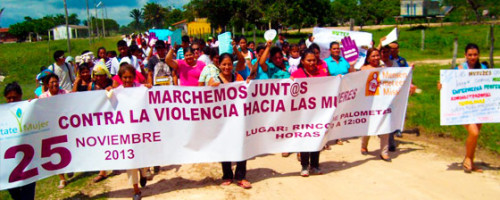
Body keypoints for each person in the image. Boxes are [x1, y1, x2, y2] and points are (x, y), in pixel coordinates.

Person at [438, 43, 487, 173]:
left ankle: (469, 159)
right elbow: (448, 84)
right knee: (474, 132)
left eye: (475, 54)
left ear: (478, 55)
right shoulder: (459, 70)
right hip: (463, 108)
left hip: (479, 107)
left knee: (475, 134)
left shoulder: (483, 68)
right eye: (470, 55)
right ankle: (468, 160)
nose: (472, 57)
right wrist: (441, 86)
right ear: (465, 55)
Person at [207, 53, 251, 189]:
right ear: (219, 65)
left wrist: (248, 85)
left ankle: (241, 176)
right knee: (224, 146)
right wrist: (212, 88)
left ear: (233, 65)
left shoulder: (237, 77)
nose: (227, 67)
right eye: (224, 64)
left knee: (241, 145)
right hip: (221, 121)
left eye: (229, 64)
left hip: (238, 119)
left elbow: (245, 93)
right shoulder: (213, 80)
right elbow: (207, 97)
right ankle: (227, 175)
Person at [117, 64, 152, 199]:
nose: (127, 80)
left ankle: (143, 173)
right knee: (130, 162)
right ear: (120, 78)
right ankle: (136, 190)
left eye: (130, 77)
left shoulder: (140, 89)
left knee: (142, 157)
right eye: (125, 77)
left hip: (141, 131)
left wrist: (149, 88)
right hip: (126, 133)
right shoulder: (117, 92)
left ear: (134, 77)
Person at [290, 49, 328, 176]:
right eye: (309, 60)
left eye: (314, 60)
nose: (312, 63)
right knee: (305, 138)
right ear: (302, 61)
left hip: (318, 112)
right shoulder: (296, 74)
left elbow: (330, 87)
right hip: (302, 113)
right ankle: (305, 165)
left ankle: (315, 165)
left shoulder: (322, 73)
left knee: (316, 137)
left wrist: (338, 80)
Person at [38, 74, 73, 187]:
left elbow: (75, 101)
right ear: (47, 85)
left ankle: (70, 167)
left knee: (69, 148)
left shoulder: (65, 94)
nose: (54, 84)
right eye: (52, 82)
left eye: (56, 81)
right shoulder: (43, 98)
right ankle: (62, 178)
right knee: (55, 153)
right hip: (51, 129)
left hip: (65, 127)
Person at [4, 82, 38, 200]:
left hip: (28, 163)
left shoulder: (28, 109)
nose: (12, 100)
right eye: (9, 98)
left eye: (15, 97)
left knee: (28, 196)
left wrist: (31, 106)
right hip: (9, 166)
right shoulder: (2, 115)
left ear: (21, 96)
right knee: (16, 196)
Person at [359, 48, 391, 162]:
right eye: (373, 56)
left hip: (382, 101)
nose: (376, 58)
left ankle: (384, 152)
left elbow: (392, 82)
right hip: (368, 102)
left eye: (377, 55)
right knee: (368, 126)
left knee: (385, 125)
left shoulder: (384, 69)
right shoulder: (364, 69)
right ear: (368, 58)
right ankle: (364, 145)